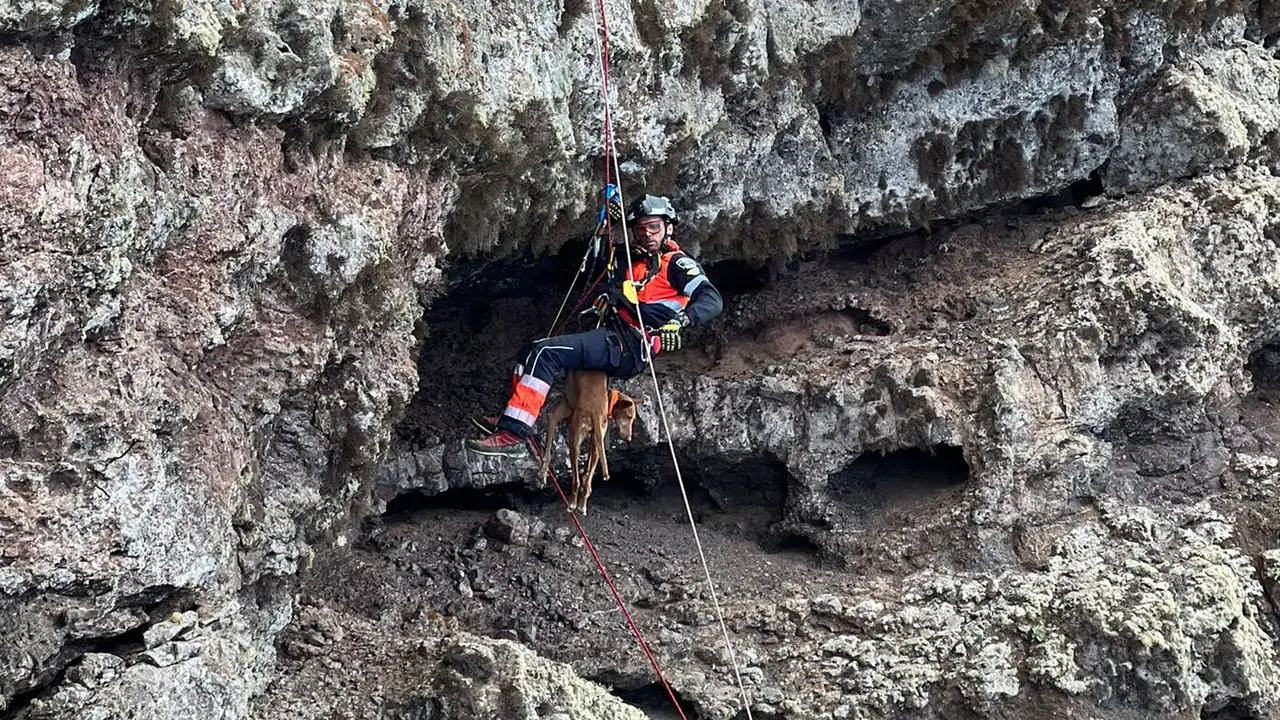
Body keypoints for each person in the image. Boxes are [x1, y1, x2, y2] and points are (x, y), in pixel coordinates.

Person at [466, 194, 723, 457]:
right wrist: (607, 225)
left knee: (544, 353)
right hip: (612, 336)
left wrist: (681, 321)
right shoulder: (632, 261)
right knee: (531, 351)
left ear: (668, 227)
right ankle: (514, 416)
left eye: (654, 227)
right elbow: (594, 262)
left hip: (628, 345)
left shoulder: (678, 265)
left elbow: (712, 299)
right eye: (640, 229)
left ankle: (514, 435)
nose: (647, 234)